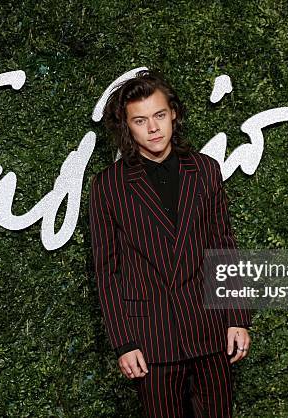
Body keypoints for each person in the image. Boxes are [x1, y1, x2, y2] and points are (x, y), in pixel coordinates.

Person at [89, 69, 251, 417]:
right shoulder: (108, 186)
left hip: (209, 330)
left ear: (173, 114)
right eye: (140, 121)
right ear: (127, 127)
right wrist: (124, 342)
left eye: (160, 115)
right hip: (151, 340)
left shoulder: (206, 169)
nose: (153, 128)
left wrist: (237, 316)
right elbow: (107, 271)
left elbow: (223, 245)